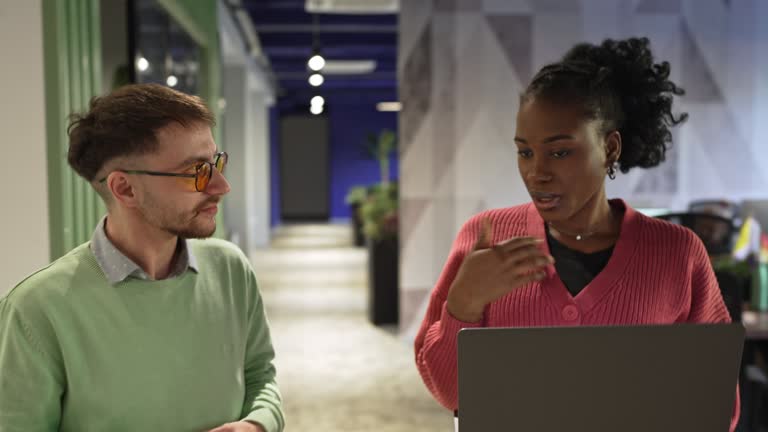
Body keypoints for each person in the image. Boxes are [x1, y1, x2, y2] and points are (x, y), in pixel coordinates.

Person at [414, 37, 739, 430]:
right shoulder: (485, 239)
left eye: (560, 151)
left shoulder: (677, 254)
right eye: (525, 152)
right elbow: (449, 394)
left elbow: (716, 405)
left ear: (610, 148)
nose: (537, 173)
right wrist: (463, 305)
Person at [0, 84, 284, 432]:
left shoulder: (230, 268)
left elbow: (260, 375)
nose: (220, 186)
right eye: (196, 171)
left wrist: (257, 424)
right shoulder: (37, 308)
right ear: (125, 189)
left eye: (215, 163)